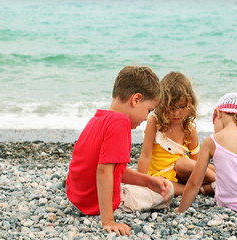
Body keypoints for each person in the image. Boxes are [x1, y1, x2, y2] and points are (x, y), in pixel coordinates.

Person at [65, 66, 174, 236]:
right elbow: (104, 171)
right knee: (169, 191)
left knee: (153, 185)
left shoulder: (97, 119)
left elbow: (113, 170)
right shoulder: (120, 123)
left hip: (78, 198)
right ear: (136, 99)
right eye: (149, 110)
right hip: (95, 204)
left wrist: (146, 181)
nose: (146, 117)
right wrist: (108, 220)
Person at [137, 72, 216, 196]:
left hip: (182, 173)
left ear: (190, 104)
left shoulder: (188, 128)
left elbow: (198, 164)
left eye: (182, 107)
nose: (176, 113)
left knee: (185, 163)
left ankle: (221, 181)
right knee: (161, 186)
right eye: (171, 108)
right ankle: (205, 189)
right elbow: (145, 156)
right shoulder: (155, 122)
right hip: (161, 175)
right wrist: (139, 183)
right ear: (162, 104)